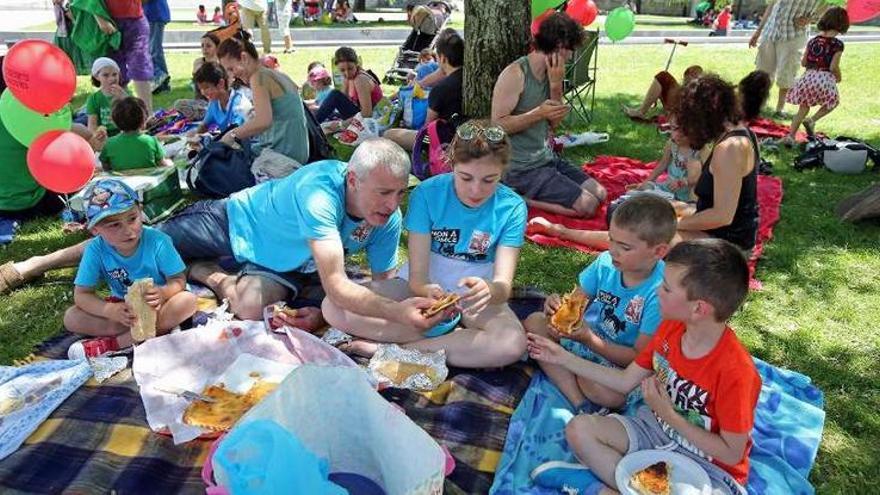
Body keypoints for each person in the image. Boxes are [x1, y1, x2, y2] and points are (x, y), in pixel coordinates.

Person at [527, 238, 760, 495]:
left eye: (667, 289)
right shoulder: (671, 328)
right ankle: (621, 485)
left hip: (708, 465)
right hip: (653, 431)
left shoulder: (736, 373)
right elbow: (625, 381)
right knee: (579, 428)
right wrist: (562, 357)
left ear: (698, 309)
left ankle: (600, 487)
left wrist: (669, 414)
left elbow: (731, 452)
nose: (658, 290)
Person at [322, 122, 529, 368]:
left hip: (475, 299)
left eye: (489, 180)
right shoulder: (428, 193)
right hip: (423, 290)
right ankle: (449, 339)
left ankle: (397, 349)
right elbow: (418, 277)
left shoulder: (512, 207)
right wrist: (426, 291)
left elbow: (503, 286)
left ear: (502, 172)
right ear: (452, 165)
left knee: (512, 344)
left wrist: (490, 290)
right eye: (465, 178)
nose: (476, 190)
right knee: (333, 306)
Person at [529, 74, 763, 253]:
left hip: (728, 246)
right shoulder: (737, 135)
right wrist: (676, 211)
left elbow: (723, 216)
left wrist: (673, 224)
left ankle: (557, 230)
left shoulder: (730, 148)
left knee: (639, 240)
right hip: (714, 228)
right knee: (648, 214)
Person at [524, 195, 675, 415]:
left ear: (658, 251)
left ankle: (571, 376)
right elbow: (576, 303)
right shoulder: (605, 262)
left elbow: (638, 358)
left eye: (624, 247)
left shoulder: (661, 291)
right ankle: (578, 400)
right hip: (592, 341)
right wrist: (557, 308)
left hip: (623, 367)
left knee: (603, 391)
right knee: (536, 322)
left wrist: (588, 339)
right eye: (611, 239)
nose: (612, 250)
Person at [64, 180, 197, 359]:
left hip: (160, 305)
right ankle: (156, 331)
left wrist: (163, 292)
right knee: (71, 317)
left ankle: (116, 344)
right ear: (95, 229)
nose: (128, 230)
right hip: (124, 309)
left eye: (132, 219)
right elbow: (82, 294)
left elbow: (178, 279)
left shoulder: (158, 241)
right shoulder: (95, 250)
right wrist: (109, 310)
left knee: (187, 301)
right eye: (115, 225)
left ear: (140, 212)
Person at [492, 12, 606, 218]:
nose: (571, 56)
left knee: (600, 193)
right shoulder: (515, 74)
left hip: (545, 158)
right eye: (570, 50)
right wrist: (538, 113)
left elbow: (554, 124)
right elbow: (497, 126)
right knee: (588, 206)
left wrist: (555, 86)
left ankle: (530, 193)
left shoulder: (552, 74)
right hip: (519, 168)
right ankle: (519, 198)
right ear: (559, 46)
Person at [217, 36, 309, 165]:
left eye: (231, 69)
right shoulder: (274, 74)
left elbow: (263, 121)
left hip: (284, 156)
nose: (232, 76)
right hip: (296, 151)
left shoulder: (258, 78)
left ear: (244, 58)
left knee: (224, 164)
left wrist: (232, 135)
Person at [384, 29, 464, 151]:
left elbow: (426, 130)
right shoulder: (467, 78)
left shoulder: (440, 90)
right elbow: (441, 72)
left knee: (388, 134)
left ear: (442, 58)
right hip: (464, 136)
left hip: (443, 141)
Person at [750, 0, 829, 117]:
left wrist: (810, 19)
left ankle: (780, 109)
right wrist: (758, 32)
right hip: (770, 32)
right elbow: (771, 6)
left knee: (786, 72)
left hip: (793, 35)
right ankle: (759, 105)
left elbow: (828, 4)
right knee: (763, 71)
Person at [783, 7, 849, 146]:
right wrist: (839, 77)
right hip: (824, 78)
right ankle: (812, 120)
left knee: (803, 108)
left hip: (808, 77)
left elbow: (804, 62)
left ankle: (790, 136)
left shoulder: (813, 41)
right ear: (843, 24)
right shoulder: (837, 44)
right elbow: (833, 67)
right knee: (832, 102)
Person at [95, 0, 154, 112]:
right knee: (113, 69)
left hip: (135, 19)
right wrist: (100, 18)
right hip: (110, 20)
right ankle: (120, 113)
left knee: (139, 64)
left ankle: (146, 113)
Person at [314, 46, 383, 123]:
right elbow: (341, 102)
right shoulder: (348, 77)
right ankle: (313, 123)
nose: (347, 73)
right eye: (342, 70)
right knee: (330, 114)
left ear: (356, 64)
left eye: (350, 68)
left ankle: (313, 127)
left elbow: (367, 114)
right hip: (359, 114)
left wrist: (343, 124)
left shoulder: (360, 79)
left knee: (335, 94)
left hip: (373, 118)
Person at [100, 96, 170, 171]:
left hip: (121, 181)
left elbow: (105, 167)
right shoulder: (151, 141)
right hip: (146, 180)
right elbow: (162, 164)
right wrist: (170, 163)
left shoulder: (109, 144)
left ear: (114, 122)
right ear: (144, 120)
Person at [191, 62, 253, 134]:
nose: (203, 92)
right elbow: (204, 125)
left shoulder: (239, 104)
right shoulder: (214, 102)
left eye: (206, 87)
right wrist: (196, 135)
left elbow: (235, 133)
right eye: (200, 89)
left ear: (221, 83)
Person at [623, 65, 703, 120]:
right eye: (691, 74)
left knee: (663, 76)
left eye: (695, 75)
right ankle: (641, 110)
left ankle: (641, 111)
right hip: (679, 105)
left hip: (681, 111)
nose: (692, 76)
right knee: (663, 77)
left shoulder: (702, 93)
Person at [173, 33, 222, 121]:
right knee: (178, 104)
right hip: (201, 102)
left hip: (217, 101)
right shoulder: (198, 62)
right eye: (202, 46)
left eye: (208, 46)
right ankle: (208, 114)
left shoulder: (221, 64)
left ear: (217, 47)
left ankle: (210, 114)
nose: (205, 49)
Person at [87, 57, 128, 136]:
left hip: (125, 133)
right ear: (97, 77)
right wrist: (98, 137)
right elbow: (92, 126)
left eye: (115, 74)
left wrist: (125, 98)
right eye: (106, 75)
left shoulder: (124, 94)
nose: (112, 78)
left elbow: (136, 115)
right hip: (105, 136)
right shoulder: (94, 99)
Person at [144, 0, 171, 94]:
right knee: (154, 50)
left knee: (153, 50)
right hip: (153, 14)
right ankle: (162, 81)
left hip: (154, 14)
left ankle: (160, 77)